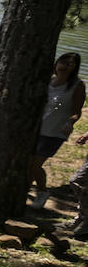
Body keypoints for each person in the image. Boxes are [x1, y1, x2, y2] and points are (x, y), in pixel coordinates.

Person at [30, 52, 85, 210]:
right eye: (63, 61)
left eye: (70, 64)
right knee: (27, 164)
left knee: (34, 164)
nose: (65, 66)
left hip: (54, 133)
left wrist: (70, 122)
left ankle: (42, 192)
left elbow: (77, 111)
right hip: (36, 130)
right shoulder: (49, 81)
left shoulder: (77, 85)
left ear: (74, 68)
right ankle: (22, 193)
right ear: (57, 63)